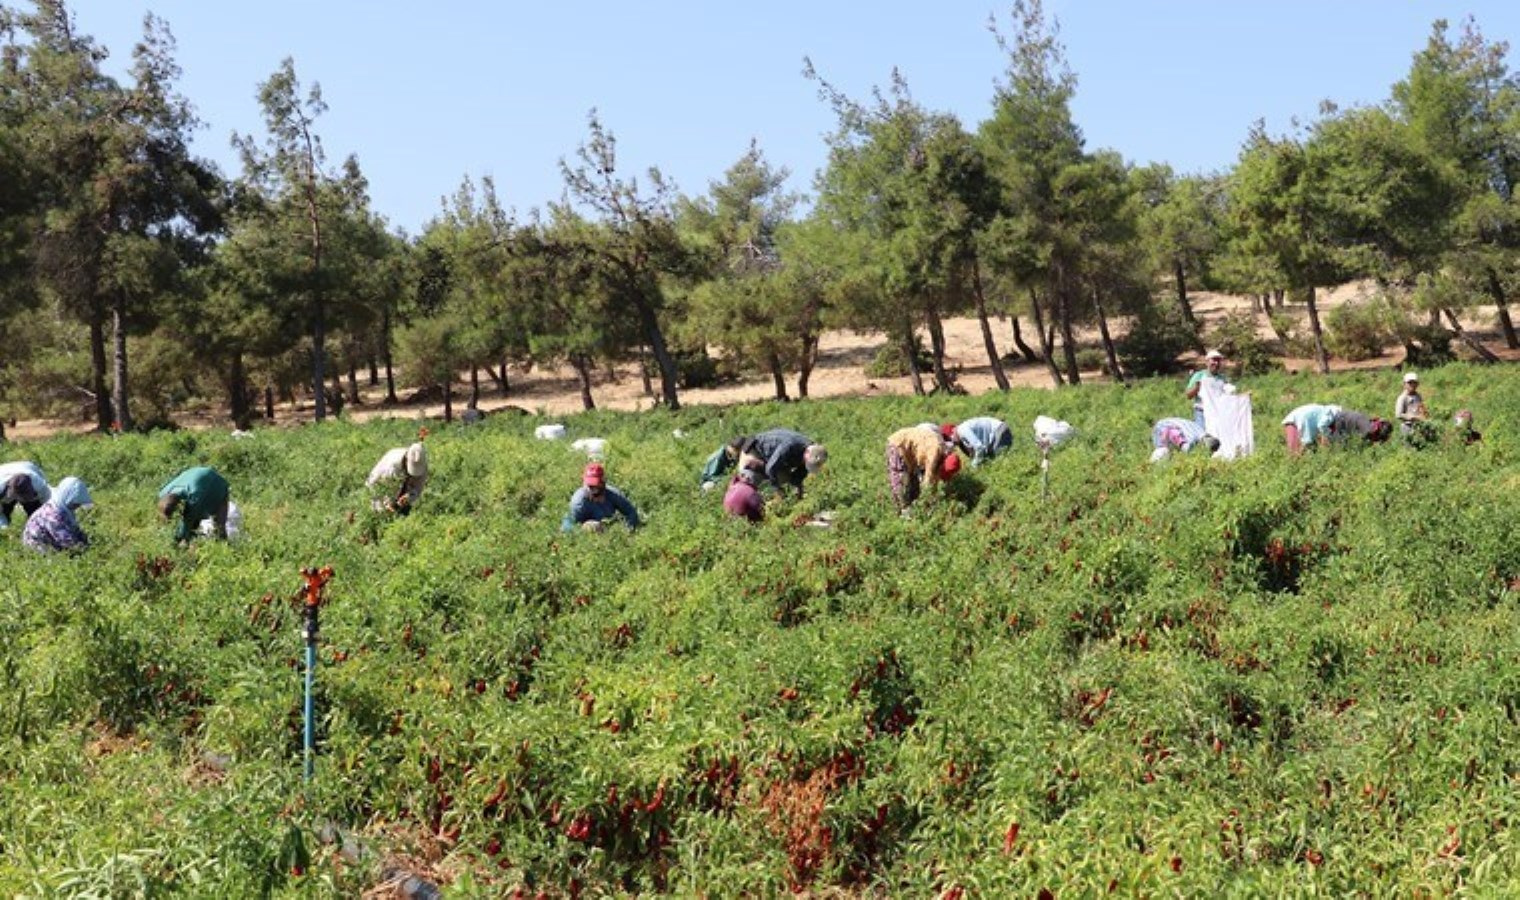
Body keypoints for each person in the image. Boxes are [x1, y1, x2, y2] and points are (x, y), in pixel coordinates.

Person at [735, 429, 827, 497]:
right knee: (750, 481)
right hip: (755, 452)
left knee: (783, 479)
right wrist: (778, 490)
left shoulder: (811, 452)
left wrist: (799, 489)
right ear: (807, 452)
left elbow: (799, 476)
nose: (806, 464)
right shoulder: (789, 445)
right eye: (807, 463)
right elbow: (770, 469)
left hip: (772, 459)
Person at [886, 426, 960, 511]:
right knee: (899, 477)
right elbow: (928, 481)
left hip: (912, 453)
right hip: (898, 444)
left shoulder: (944, 452)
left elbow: (934, 476)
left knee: (913, 479)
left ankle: (913, 504)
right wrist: (929, 501)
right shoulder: (934, 454)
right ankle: (901, 509)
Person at [1281, 405, 1392, 456]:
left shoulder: (1327, 415)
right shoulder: (1322, 417)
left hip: (1320, 422)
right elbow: (1317, 432)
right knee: (1295, 452)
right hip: (1301, 419)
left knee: (1308, 449)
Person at [158, 466, 231, 543]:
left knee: (219, 526)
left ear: (178, 506)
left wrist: (177, 540)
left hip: (216, 484)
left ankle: (225, 548)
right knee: (190, 527)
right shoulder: (163, 493)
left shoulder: (195, 497)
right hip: (196, 476)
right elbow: (164, 513)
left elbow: (188, 522)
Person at [561, 462, 641, 532]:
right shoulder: (578, 503)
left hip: (610, 533)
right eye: (589, 485)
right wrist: (584, 529)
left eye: (595, 485)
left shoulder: (613, 494)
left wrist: (626, 530)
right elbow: (567, 527)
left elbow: (631, 512)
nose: (592, 489)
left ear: (603, 481)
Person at [22, 476, 92, 553]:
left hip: (52, 539)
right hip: (37, 546)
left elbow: (74, 530)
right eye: (75, 502)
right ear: (67, 497)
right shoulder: (53, 516)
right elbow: (67, 541)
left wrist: (85, 540)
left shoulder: (60, 506)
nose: (78, 505)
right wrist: (89, 550)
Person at [367, 440, 430, 514]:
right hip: (377, 488)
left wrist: (409, 496)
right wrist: (388, 506)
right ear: (406, 459)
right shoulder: (391, 467)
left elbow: (418, 487)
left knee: (403, 511)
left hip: (398, 488)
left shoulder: (421, 464)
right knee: (381, 513)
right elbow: (382, 490)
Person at [1185, 350, 1230, 429]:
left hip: (1218, 412)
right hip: (1202, 411)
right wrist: (1197, 387)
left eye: (1218, 361)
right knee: (1202, 435)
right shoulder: (1199, 375)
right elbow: (1188, 395)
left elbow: (1228, 395)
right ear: (1207, 362)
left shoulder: (1222, 379)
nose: (1216, 363)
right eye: (1214, 360)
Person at [1149, 417, 1221, 462]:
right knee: (1163, 452)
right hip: (1165, 430)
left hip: (1167, 426)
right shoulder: (1191, 439)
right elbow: (1172, 433)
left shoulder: (1200, 432)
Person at [1395, 371, 1427, 438]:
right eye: (1410, 383)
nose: (1412, 385)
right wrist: (1414, 417)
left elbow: (1421, 407)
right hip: (1407, 427)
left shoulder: (1418, 396)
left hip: (1418, 426)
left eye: (1414, 383)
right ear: (1404, 384)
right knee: (1408, 447)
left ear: (1417, 384)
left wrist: (1423, 413)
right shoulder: (1402, 398)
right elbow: (1398, 414)